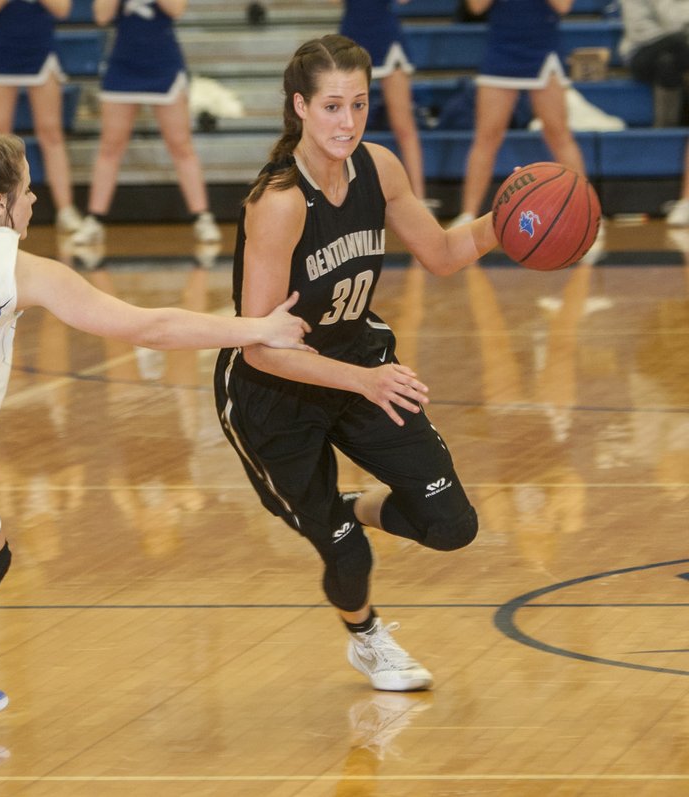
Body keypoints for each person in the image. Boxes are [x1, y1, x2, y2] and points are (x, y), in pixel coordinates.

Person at [0, 130, 311, 727]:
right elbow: (150, 328)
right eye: (27, 190)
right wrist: (256, 329)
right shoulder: (16, 263)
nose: (34, 202)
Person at [212, 35, 500, 692]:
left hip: (356, 357)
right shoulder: (280, 200)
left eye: (359, 105)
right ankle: (367, 636)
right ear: (301, 108)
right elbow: (260, 343)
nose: (347, 122)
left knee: (450, 525)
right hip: (274, 390)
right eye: (332, 106)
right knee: (346, 548)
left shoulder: (379, 166)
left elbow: (444, 253)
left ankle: (341, 503)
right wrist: (364, 381)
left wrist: (507, 219)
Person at [71, 0, 221, 246]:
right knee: (110, 146)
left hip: (163, 64)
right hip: (123, 65)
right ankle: (94, 219)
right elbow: (101, 15)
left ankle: (202, 217)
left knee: (181, 145)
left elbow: (176, 9)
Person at [450, 0, 587, 227]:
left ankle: (585, 211)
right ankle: (468, 215)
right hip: (501, 49)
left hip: (543, 49)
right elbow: (476, 6)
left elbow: (563, 6)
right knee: (487, 136)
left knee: (558, 134)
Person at [0, 0, 83, 234]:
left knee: (51, 132)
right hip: (2, 51)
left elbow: (62, 9)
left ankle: (66, 210)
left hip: (41, 49)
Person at [338, 0, 433, 208]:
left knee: (404, 125)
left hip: (386, 38)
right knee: (345, 124)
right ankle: (341, 198)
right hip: (351, 38)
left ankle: (420, 200)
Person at [617, 0, 689, 225]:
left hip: (674, 49)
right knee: (673, 53)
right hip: (642, 48)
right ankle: (664, 128)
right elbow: (673, 21)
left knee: (671, 60)